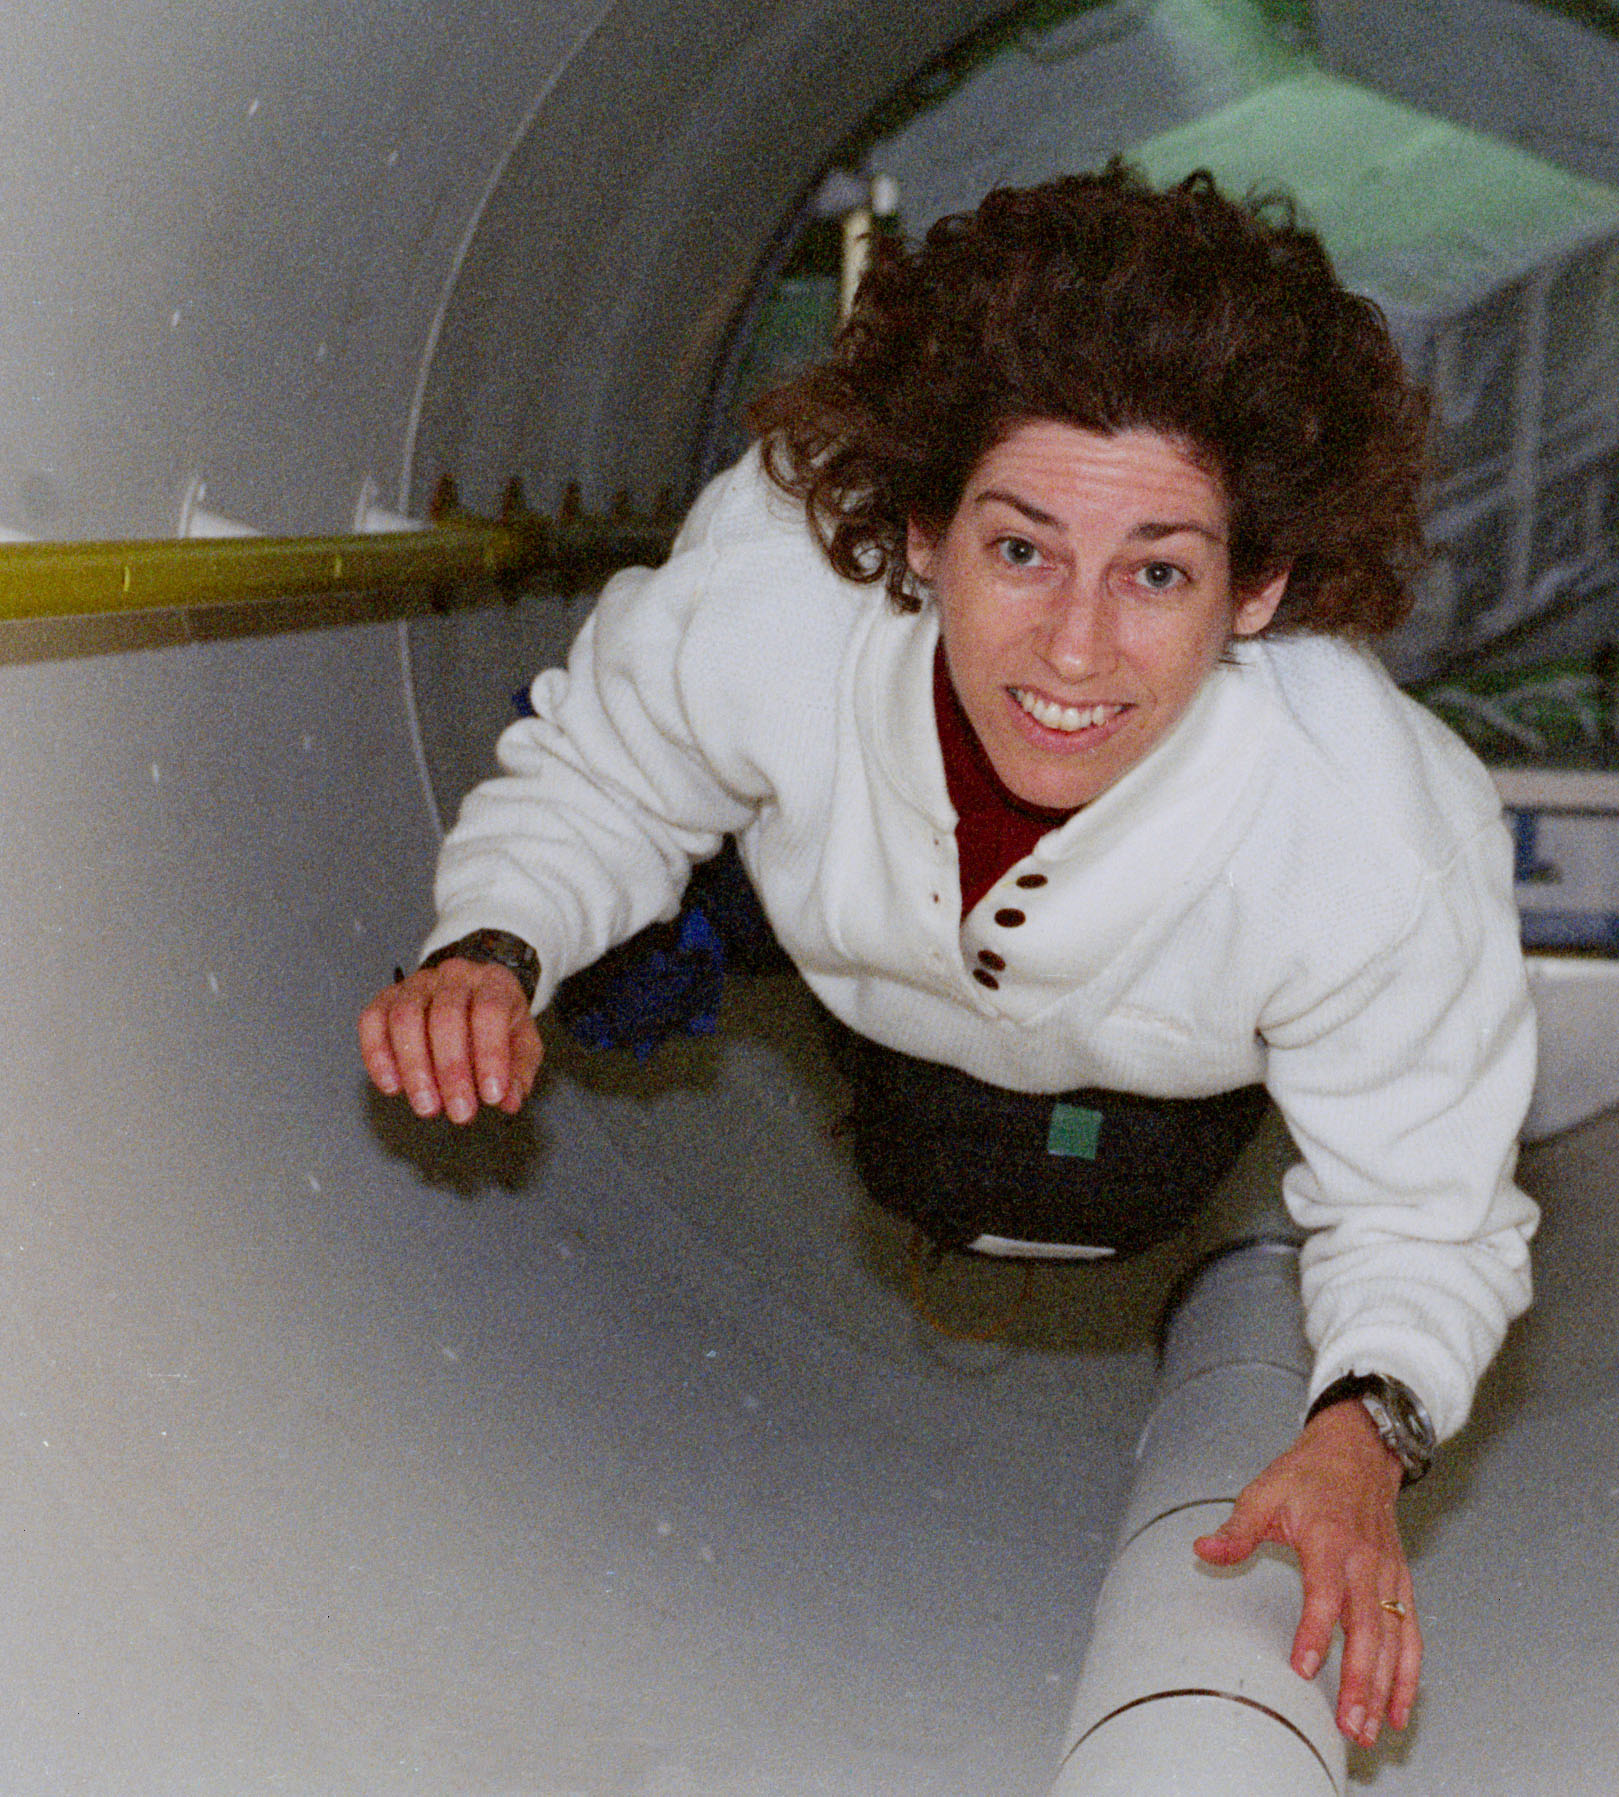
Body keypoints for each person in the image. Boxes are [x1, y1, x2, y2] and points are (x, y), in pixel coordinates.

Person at [356, 164, 1537, 1750]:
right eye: (1022, 549)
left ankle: (1007, 1253)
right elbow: (606, 774)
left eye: (1159, 572)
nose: (1073, 646)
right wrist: (490, 946)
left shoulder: (1372, 835)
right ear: (919, 531)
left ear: (1257, 590)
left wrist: (1361, 1430)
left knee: (1068, 1202)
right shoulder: (778, 588)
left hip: (1155, 1077)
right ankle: (928, 1236)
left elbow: (1423, 1206)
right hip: (855, 948)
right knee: (799, 1066)